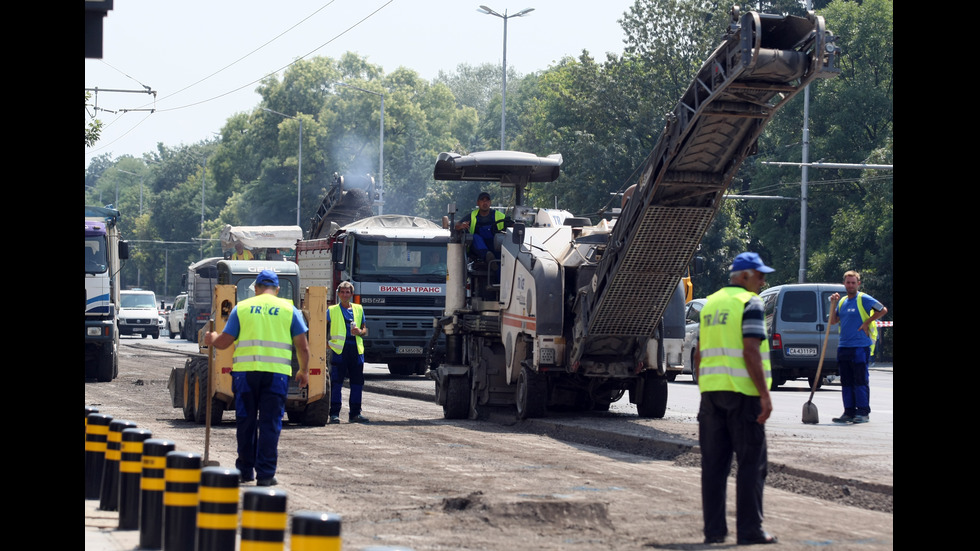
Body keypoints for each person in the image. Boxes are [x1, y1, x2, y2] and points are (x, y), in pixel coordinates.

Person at [694, 252, 777, 546]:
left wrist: (705, 387)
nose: (763, 280)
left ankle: (714, 532)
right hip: (744, 396)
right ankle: (750, 530)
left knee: (714, 466)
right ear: (743, 276)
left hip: (712, 395)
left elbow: (699, 352)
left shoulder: (711, 303)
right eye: (759, 274)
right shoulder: (750, 303)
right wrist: (765, 396)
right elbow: (751, 351)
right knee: (752, 464)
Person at [203, 269, 310, 486]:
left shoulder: (242, 308)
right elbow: (303, 347)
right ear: (277, 289)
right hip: (276, 375)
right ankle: (266, 475)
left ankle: (244, 471)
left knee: (246, 422)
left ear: (257, 288)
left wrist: (212, 338)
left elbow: (224, 343)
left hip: (246, 374)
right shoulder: (289, 309)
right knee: (270, 423)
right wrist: (304, 371)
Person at [828, 270, 887, 424]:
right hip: (844, 346)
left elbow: (883, 310)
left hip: (860, 346)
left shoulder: (863, 299)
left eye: (853, 282)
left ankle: (862, 412)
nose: (850, 285)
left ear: (858, 284)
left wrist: (867, 322)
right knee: (846, 381)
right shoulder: (842, 302)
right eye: (848, 282)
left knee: (860, 380)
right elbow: (833, 321)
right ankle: (848, 412)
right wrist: (833, 303)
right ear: (844, 284)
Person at [327, 281, 370, 424]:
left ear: (351, 294)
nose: (345, 295)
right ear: (338, 293)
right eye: (342, 292)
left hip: (356, 350)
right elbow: (321, 327)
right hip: (339, 350)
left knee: (357, 383)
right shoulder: (331, 310)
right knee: (336, 383)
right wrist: (326, 344)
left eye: (348, 292)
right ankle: (334, 414)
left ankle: (355, 414)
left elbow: (365, 330)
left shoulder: (359, 309)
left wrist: (360, 332)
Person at [454, 191, 504, 263]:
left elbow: (511, 224)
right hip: (477, 249)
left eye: (487, 200)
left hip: (495, 248)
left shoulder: (500, 216)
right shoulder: (472, 215)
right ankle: (487, 255)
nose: (485, 203)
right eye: (482, 200)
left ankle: (495, 266)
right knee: (475, 237)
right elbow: (457, 226)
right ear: (478, 203)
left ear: (490, 203)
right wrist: (462, 226)